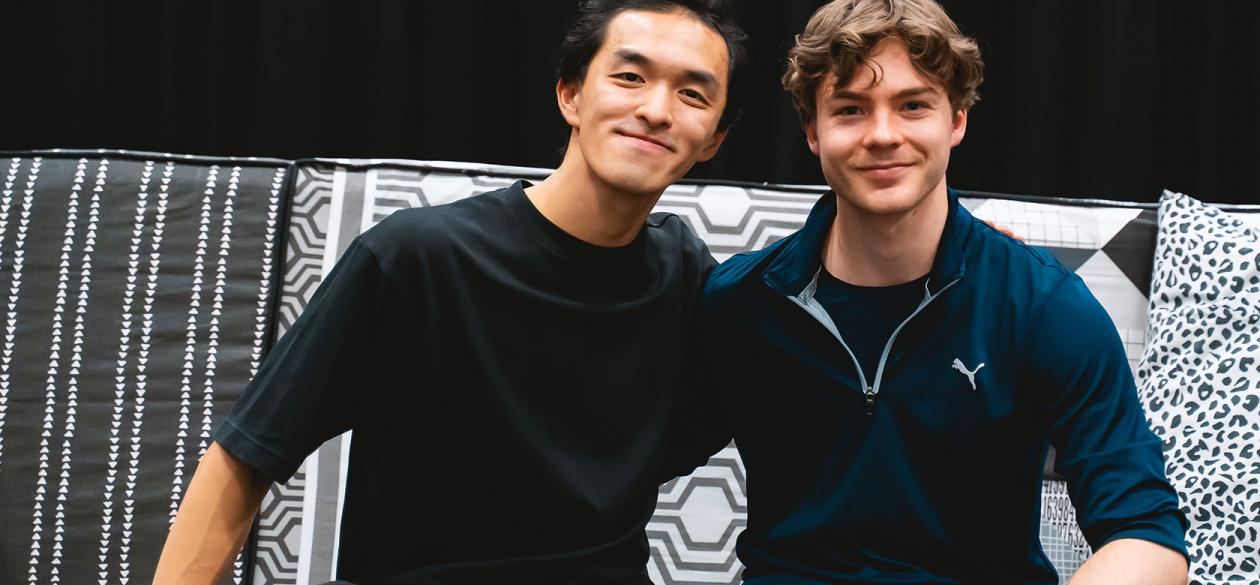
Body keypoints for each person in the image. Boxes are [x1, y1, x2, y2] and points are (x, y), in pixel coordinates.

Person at [154, 1, 744, 583]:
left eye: (693, 94)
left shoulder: (686, 274)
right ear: (571, 95)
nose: (656, 109)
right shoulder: (417, 257)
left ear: (714, 138)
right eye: (629, 77)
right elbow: (248, 452)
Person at [667, 1, 1189, 583]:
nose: (883, 135)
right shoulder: (739, 303)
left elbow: (1145, 537)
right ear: (812, 132)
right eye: (850, 110)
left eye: (913, 105)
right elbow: (625, 464)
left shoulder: (1043, 307)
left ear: (957, 119)